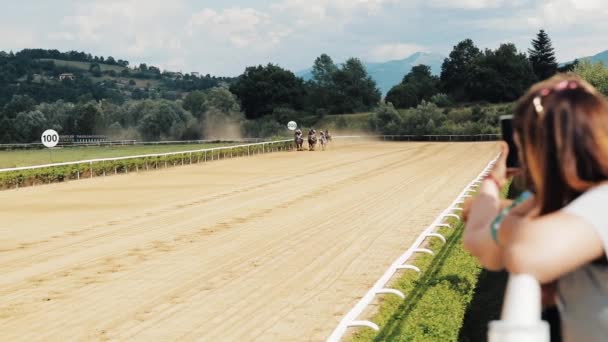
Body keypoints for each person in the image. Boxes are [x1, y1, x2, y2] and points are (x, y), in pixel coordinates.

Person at [463, 74, 608, 342]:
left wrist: (510, 216)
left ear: (541, 149)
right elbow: (479, 244)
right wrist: (493, 182)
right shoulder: (556, 206)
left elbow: (525, 252)